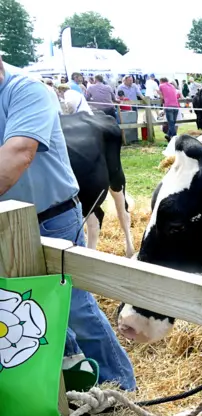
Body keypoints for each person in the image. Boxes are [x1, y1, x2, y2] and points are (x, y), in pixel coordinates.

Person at [0, 56, 136, 390]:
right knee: (26, 309)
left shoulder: (25, 89)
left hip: (51, 218)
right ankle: (74, 378)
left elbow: (19, 152)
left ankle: (121, 388)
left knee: (76, 308)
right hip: (6, 224)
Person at [158, 77, 180, 141]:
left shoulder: (161, 85)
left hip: (168, 105)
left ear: (161, 81)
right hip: (176, 106)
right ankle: (168, 135)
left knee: (171, 123)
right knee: (173, 122)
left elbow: (162, 96)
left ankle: (175, 138)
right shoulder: (172, 86)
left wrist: (158, 93)